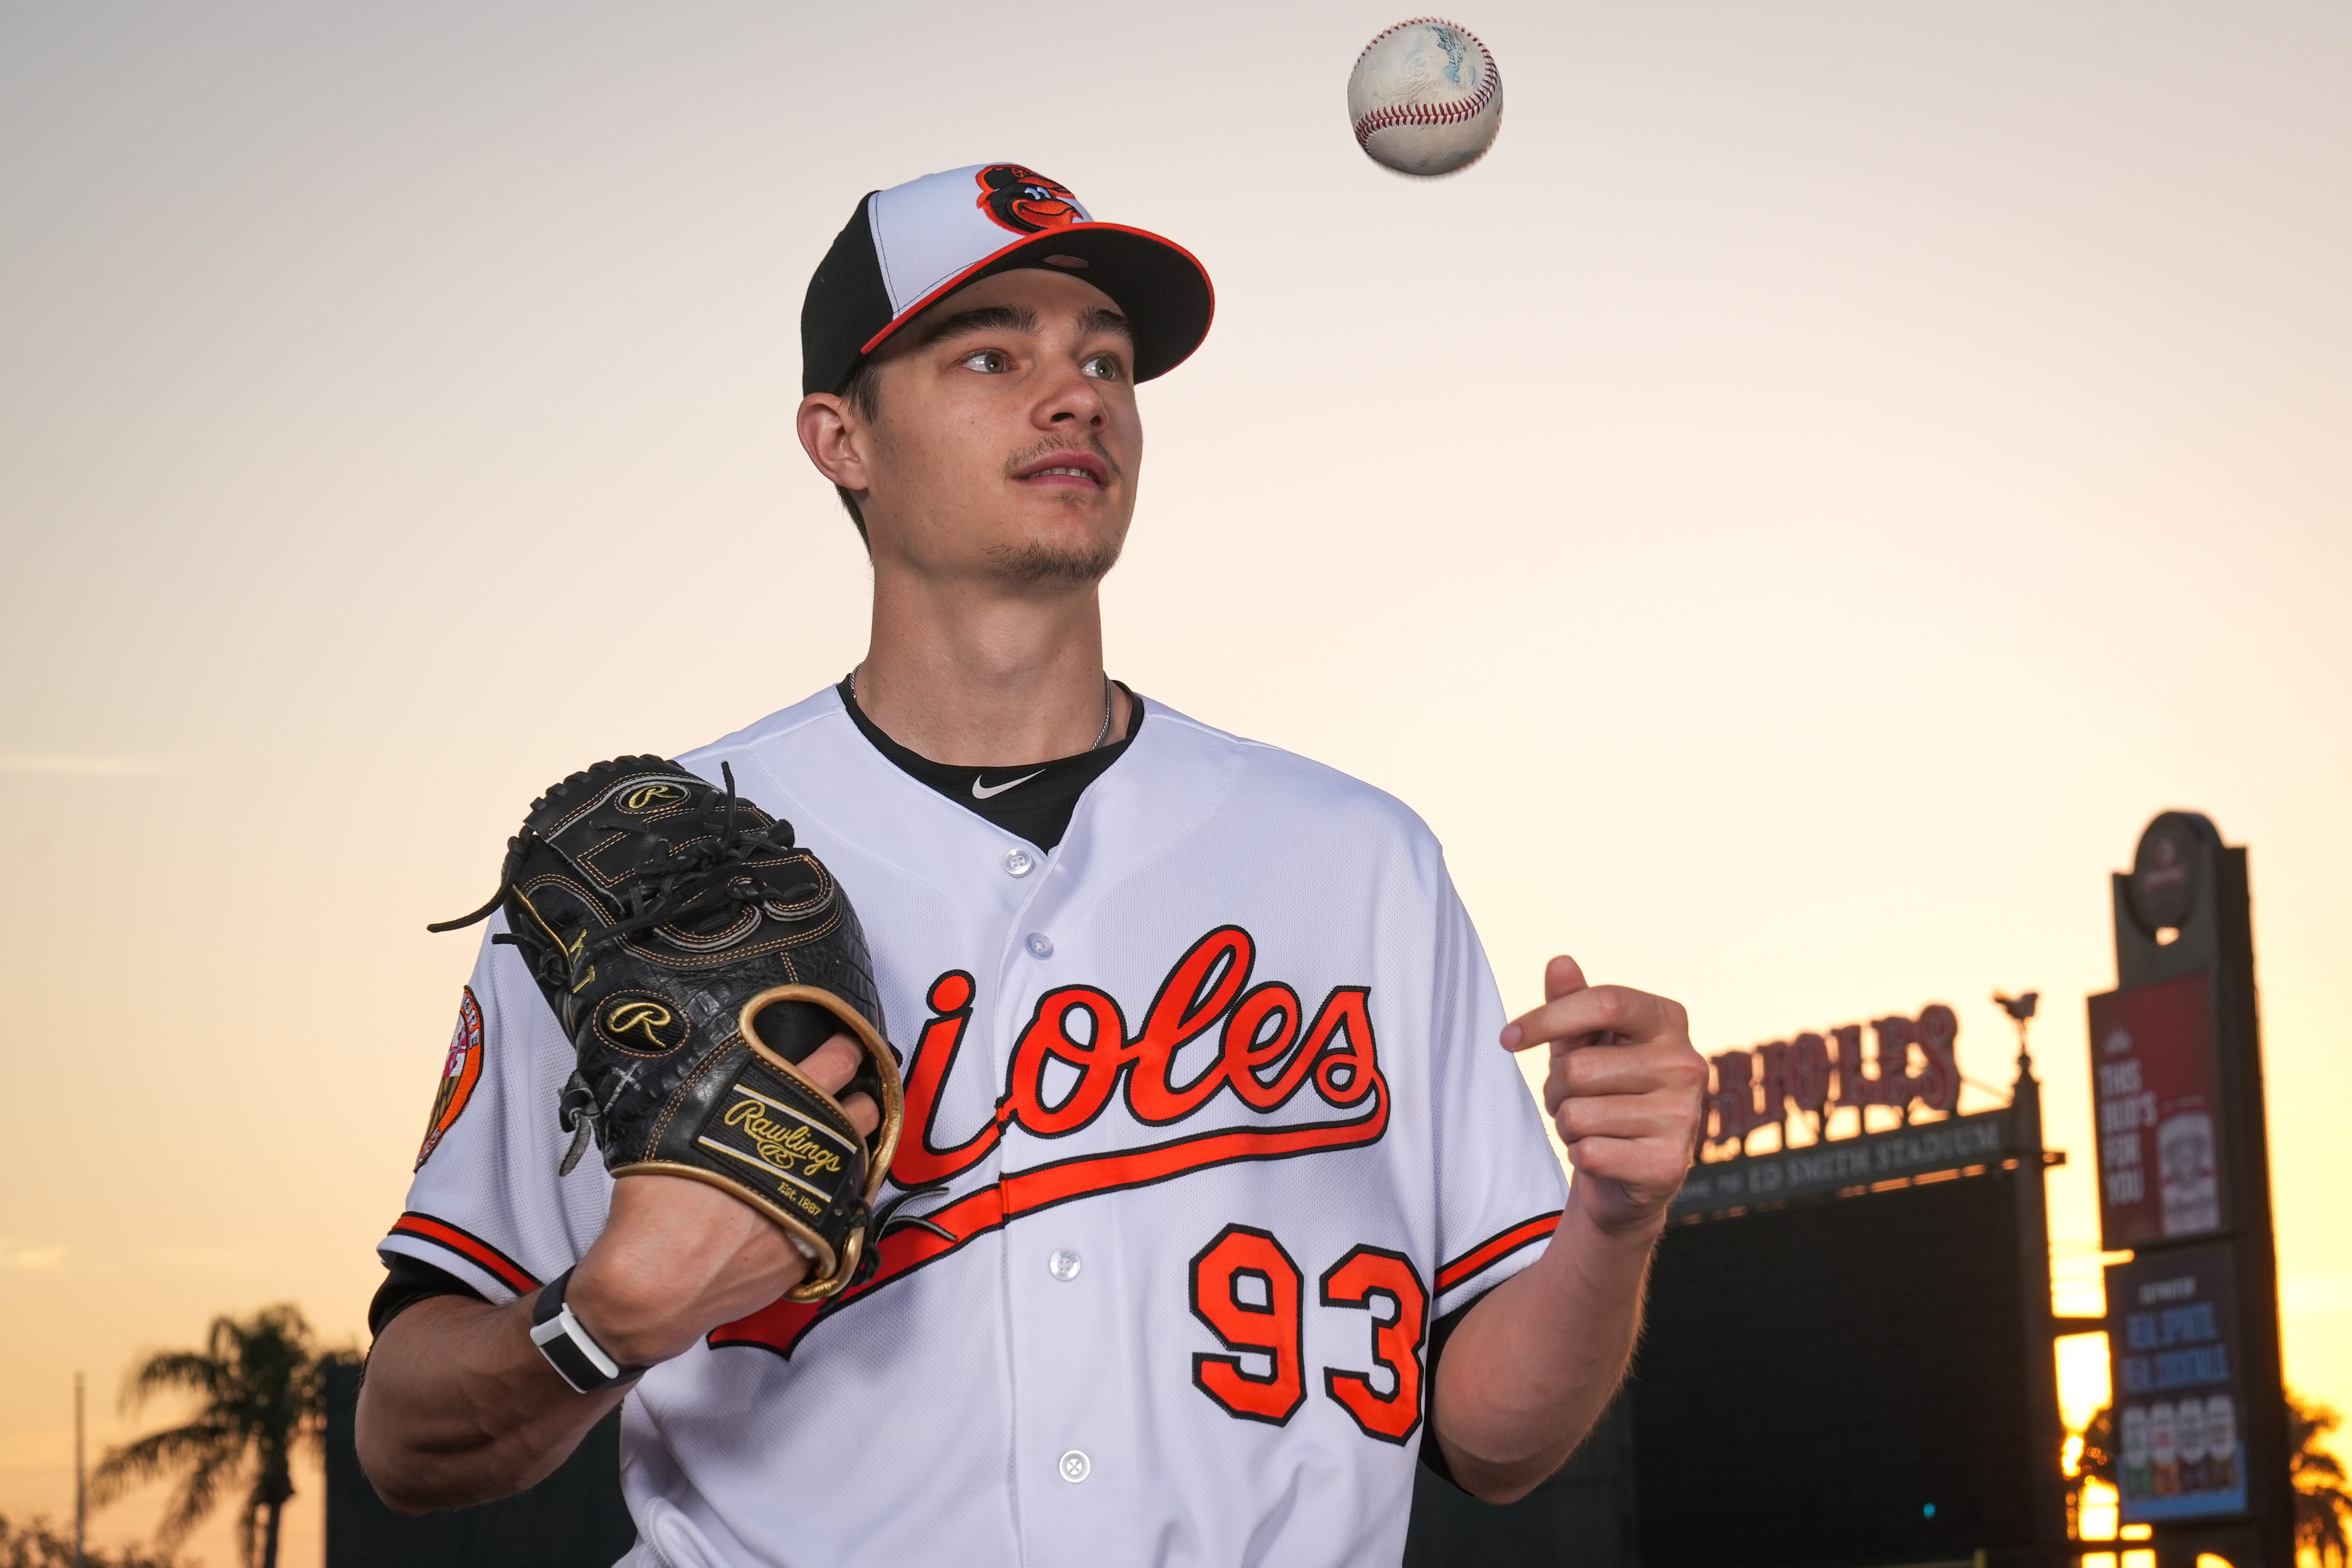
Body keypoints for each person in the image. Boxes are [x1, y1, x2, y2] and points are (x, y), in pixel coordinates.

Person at [355, 162, 1705, 1568]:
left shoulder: (1355, 861)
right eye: (993, 351)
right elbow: (405, 1437)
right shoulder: (648, 871)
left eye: (1106, 360)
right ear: (840, 438)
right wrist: (604, 1324)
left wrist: (1613, 1220)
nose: (1079, 397)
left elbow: (1495, 1437)